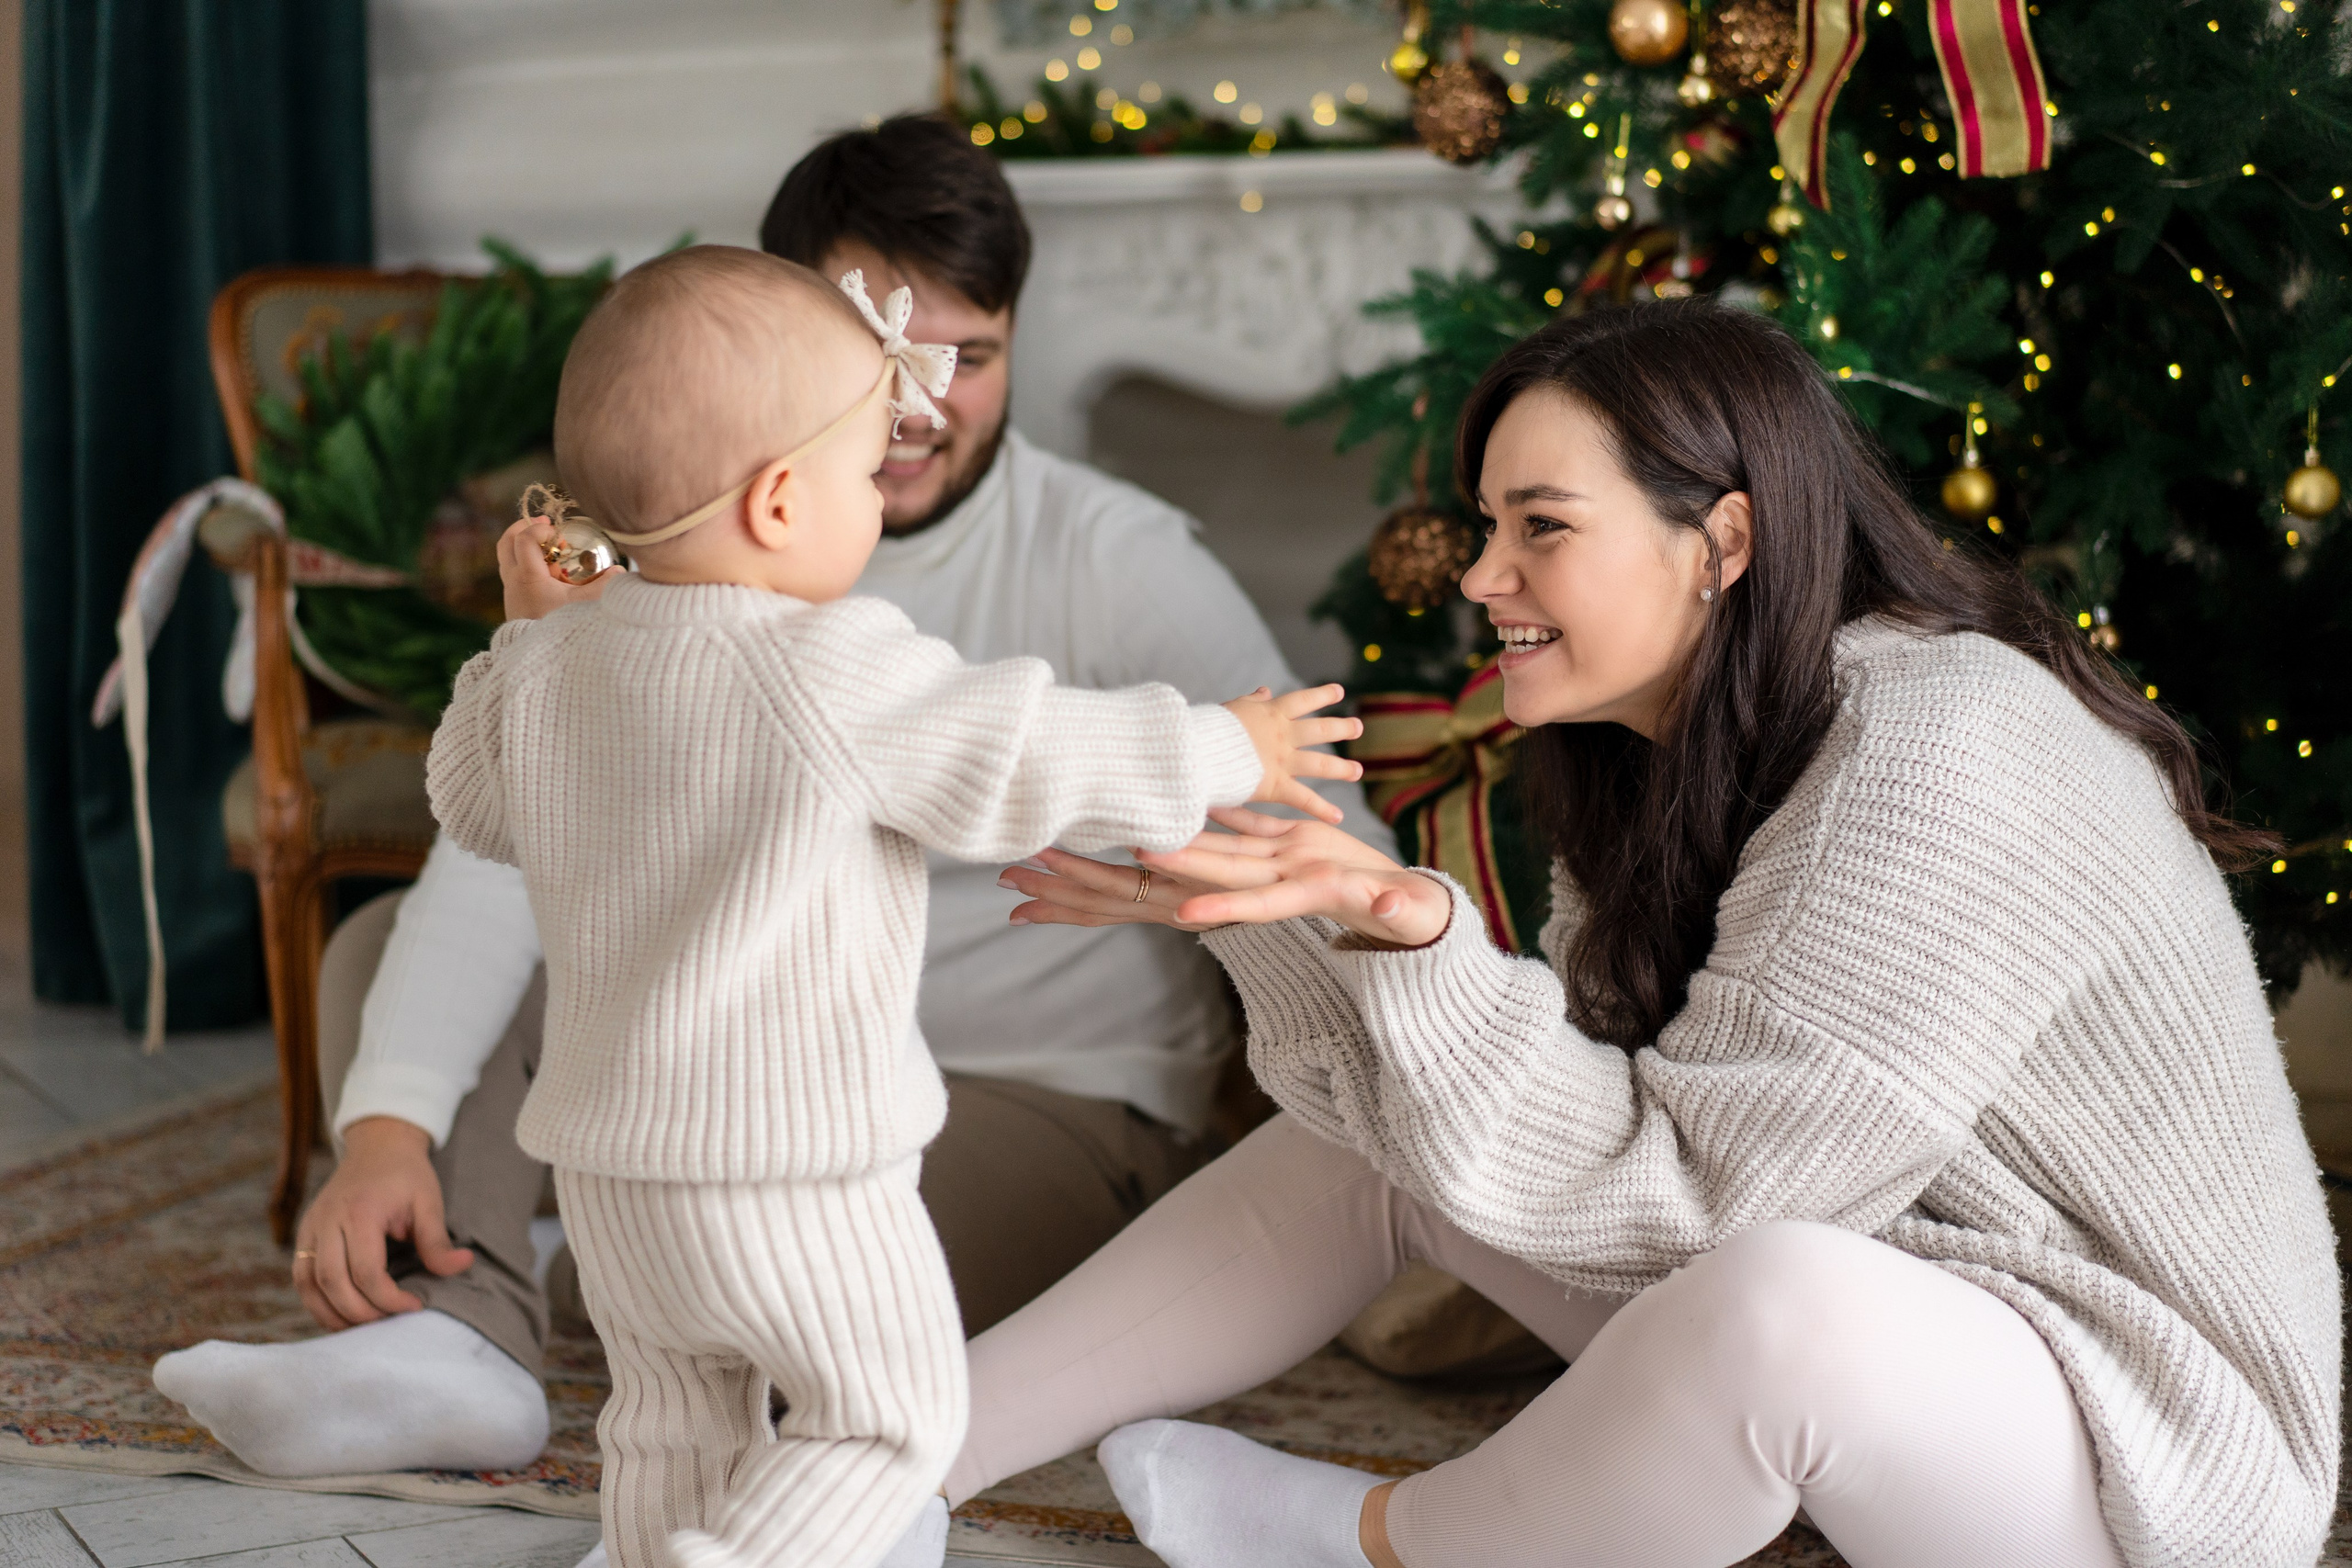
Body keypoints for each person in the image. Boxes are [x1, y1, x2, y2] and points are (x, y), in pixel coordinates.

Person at [956, 300, 2339, 1568]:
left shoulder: (1950, 741)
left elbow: (1709, 1211)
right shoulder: (1660, 758)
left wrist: (1429, 936)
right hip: (1892, 1321)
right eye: (1487, 524)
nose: (1483, 576)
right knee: (1389, 1130)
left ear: (1722, 543)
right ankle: (893, 1463)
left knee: (1777, 1298)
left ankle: (1369, 1544)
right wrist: (1293, 925)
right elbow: (1559, 1152)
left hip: (2139, 1444)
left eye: (1541, 527)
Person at [153, 113, 1389, 1482]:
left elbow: (1253, 803)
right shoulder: (667, 573)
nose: (920, 408)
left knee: (815, 1334)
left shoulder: (1115, 559)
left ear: (1015, 339)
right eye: (886, 365)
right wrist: (389, 1122)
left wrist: (1243, 781)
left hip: (1018, 1098)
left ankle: (575, 1283)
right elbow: (511, 826)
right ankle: (459, 1344)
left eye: (968, 359)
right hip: (714, 1050)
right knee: (390, 952)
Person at [428, 245, 1362, 1568]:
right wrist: (1227, 749)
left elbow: (470, 807)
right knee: (890, 1425)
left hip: (612, 1174)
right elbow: (1029, 755)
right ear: (777, 503)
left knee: (673, 1430)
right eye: (868, 475)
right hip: (793, 1167)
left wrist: (520, 637)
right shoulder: (826, 667)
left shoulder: (557, 667)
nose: (882, 500)